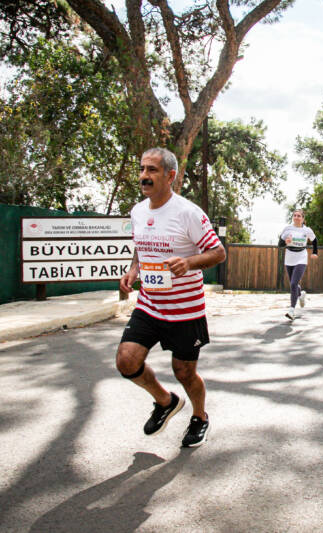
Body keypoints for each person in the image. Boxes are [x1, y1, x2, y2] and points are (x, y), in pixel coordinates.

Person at [116, 147, 226, 448]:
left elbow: (218, 252)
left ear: (170, 175)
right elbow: (141, 245)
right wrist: (133, 269)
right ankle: (164, 401)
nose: (144, 176)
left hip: (185, 311)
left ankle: (200, 417)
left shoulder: (188, 212)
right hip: (150, 305)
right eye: (142, 169)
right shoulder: (138, 211)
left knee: (184, 372)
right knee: (126, 361)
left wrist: (189, 262)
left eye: (152, 170)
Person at [278, 209, 318, 321]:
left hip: (301, 258)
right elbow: (280, 244)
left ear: (303, 218)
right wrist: (285, 242)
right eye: (295, 215)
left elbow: (314, 241)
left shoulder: (307, 230)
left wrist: (315, 252)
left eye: (299, 216)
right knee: (293, 284)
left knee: (294, 283)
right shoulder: (287, 229)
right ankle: (301, 295)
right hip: (289, 258)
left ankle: (291, 310)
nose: (296, 217)